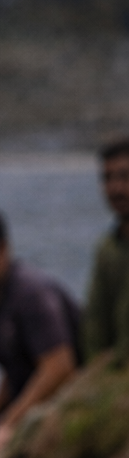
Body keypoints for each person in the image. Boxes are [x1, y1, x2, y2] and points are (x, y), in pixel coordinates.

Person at [0, 207, 81, 456]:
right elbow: (14, 374)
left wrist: (8, 426)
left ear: (2, 248)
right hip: (37, 406)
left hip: (72, 400)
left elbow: (59, 366)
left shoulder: (31, 293)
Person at [84, 136, 129, 369]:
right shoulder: (108, 249)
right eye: (107, 178)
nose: (116, 188)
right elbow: (95, 330)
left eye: (124, 176)